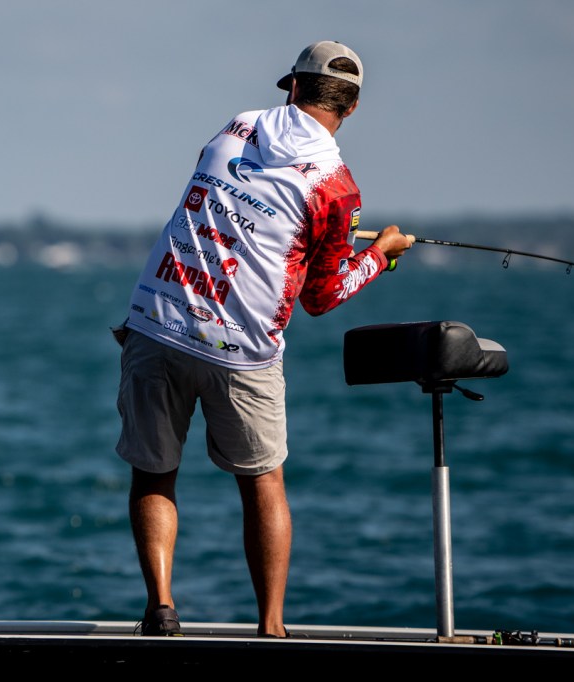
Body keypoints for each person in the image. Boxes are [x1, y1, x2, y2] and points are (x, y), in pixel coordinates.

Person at [113, 40, 414, 638]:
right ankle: (271, 628)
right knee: (262, 482)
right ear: (351, 108)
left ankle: (161, 609)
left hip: (157, 320)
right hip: (243, 351)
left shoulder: (237, 125)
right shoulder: (337, 189)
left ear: (294, 87)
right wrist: (379, 255)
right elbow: (321, 296)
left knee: (154, 473)